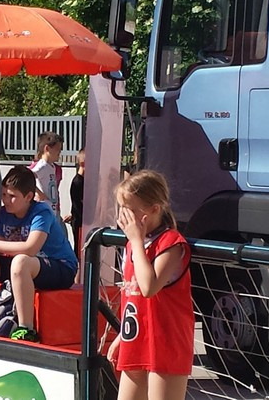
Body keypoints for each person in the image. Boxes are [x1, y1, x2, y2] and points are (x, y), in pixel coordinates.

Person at [106, 170, 193, 400]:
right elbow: (132, 295)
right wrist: (121, 337)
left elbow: (148, 287)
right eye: (122, 209)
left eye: (130, 210)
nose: (124, 217)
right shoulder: (133, 245)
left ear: (154, 209)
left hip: (166, 341)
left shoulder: (170, 242)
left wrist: (136, 240)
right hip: (137, 337)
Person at [0, 166, 78, 342]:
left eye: (12, 196)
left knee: (21, 261)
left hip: (60, 267)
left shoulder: (41, 212)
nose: (6, 200)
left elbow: (30, 249)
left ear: (28, 197)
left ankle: (26, 329)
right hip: (23, 267)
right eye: (4, 194)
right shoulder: (5, 213)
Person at [30, 131, 64, 217]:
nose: (59, 152)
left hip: (51, 210)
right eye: (58, 149)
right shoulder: (42, 165)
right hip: (43, 211)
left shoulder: (51, 166)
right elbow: (27, 177)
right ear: (47, 148)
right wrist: (39, 193)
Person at [64, 148, 85, 253]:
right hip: (80, 223)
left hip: (84, 222)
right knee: (79, 250)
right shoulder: (77, 182)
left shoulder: (87, 181)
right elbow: (77, 205)